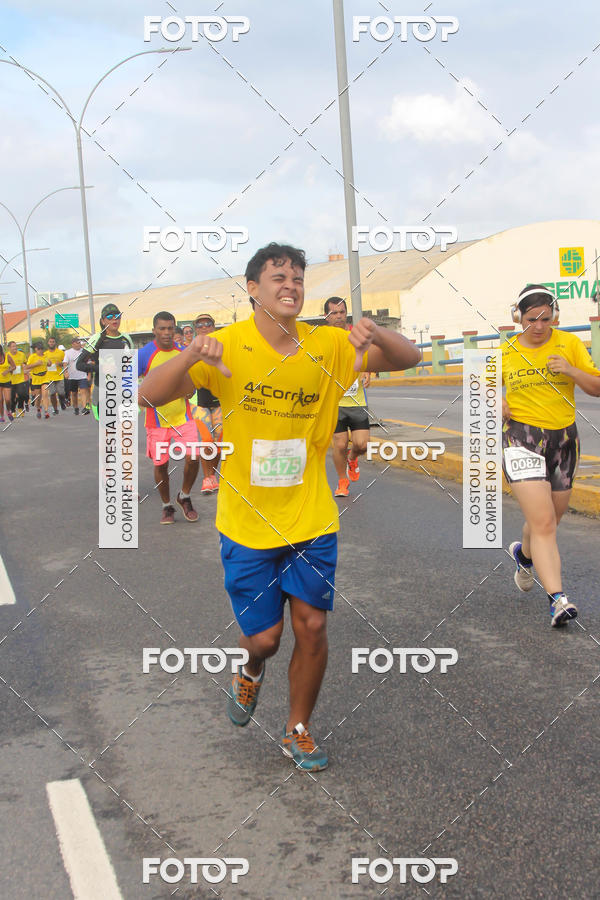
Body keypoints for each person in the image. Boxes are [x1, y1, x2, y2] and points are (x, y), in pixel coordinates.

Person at [139, 242, 420, 771]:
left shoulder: (329, 344)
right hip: (246, 519)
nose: (290, 286)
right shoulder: (223, 345)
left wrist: (376, 332)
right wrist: (191, 356)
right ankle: (250, 669)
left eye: (297, 278)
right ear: (252, 288)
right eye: (277, 278)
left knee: (312, 626)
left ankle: (298, 729)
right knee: (265, 638)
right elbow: (148, 394)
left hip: (310, 513)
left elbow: (410, 358)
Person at [502, 284, 600, 627]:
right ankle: (558, 600)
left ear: (554, 316)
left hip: (564, 441)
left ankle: (523, 555)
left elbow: (596, 387)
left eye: (545, 318)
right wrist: (492, 401)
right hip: (521, 439)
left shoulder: (569, 344)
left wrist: (571, 370)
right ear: (518, 318)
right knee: (544, 523)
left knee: (549, 520)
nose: (539, 326)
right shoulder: (506, 351)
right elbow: (477, 390)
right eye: (531, 320)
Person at [138, 311, 200, 525]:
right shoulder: (144, 354)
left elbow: (192, 382)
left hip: (183, 418)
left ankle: (184, 496)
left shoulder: (184, 352)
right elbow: (128, 384)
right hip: (156, 422)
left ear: (175, 329)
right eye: (162, 328)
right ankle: (167, 506)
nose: (166, 333)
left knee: (194, 457)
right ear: (154, 330)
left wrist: (189, 391)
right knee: (161, 465)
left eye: (170, 328)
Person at [324, 297, 371, 497]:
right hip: (335, 403)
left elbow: (370, 355)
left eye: (341, 312)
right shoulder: (322, 339)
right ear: (326, 316)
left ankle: (353, 458)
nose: (338, 316)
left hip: (357, 400)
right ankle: (342, 480)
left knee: (362, 444)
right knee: (340, 444)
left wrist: (369, 369)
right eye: (333, 313)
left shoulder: (357, 336)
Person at [76, 303, 133, 418]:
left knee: (126, 432)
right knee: (109, 431)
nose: (114, 319)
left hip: (123, 390)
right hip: (103, 390)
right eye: (109, 317)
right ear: (103, 321)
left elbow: (132, 363)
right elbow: (79, 364)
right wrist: (101, 368)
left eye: (117, 316)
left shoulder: (126, 338)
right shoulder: (97, 339)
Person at [193, 313, 222, 493]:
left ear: (213, 326)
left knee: (218, 440)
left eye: (208, 323)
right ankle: (207, 478)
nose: (204, 327)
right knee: (206, 439)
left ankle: (212, 474)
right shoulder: (192, 349)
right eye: (200, 325)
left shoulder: (223, 346)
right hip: (199, 402)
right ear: (196, 329)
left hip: (220, 402)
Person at [63, 336, 90, 415]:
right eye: (77, 343)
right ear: (73, 344)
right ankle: (76, 407)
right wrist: (66, 372)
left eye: (79, 343)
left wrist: (89, 374)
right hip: (72, 376)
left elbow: (87, 363)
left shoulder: (84, 352)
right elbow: (65, 363)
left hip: (82, 375)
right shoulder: (68, 352)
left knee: (83, 391)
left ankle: (85, 407)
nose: (79, 344)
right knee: (74, 393)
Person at [25, 341, 50, 419]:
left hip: (45, 376)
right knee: (38, 397)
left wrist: (49, 362)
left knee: (45, 394)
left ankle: (46, 411)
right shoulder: (32, 357)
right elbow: (27, 367)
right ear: (35, 349)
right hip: (36, 378)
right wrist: (36, 364)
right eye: (39, 349)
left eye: (42, 349)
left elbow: (49, 363)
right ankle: (38, 409)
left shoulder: (45, 356)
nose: (40, 350)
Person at [44, 336, 66, 415]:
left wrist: (61, 364)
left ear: (55, 343)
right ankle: (55, 408)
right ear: (48, 343)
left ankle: (62, 401)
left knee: (61, 392)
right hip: (49, 377)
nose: (51, 343)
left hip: (59, 376)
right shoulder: (45, 354)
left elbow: (65, 363)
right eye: (50, 342)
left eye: (53, 342)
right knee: (52, 393)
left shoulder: (60, 352)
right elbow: (43, 365)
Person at [6, 341, 28, 418]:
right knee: (12, 397)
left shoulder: (21, 355)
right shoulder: (6, 356)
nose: (15, 348)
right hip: (10, 380)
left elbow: (25, 363)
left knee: (22, 394)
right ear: (9, 348)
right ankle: (13, 410)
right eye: (13, 346)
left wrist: (26, 368)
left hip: (20, 379)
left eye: (15, 346)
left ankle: (20, 407)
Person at [0, 346, 12, 422]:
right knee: (0, 400)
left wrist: (7, 371)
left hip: (7, 381)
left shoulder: (7, 356)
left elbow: (13, 366)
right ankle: (1, 416)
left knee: (7, 399)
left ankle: (8, 411)